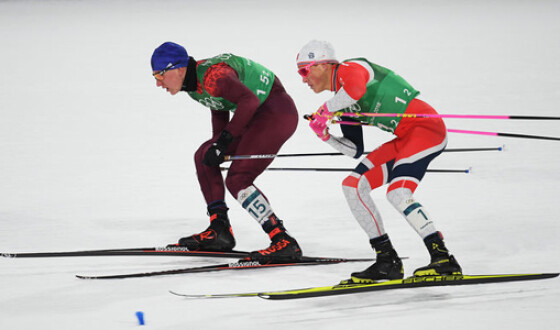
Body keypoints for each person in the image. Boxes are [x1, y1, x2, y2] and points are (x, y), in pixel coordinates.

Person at [296, 40, 462, 282]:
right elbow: (354, 149)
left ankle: (443, 258)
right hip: (405, 137)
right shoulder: (342, 104)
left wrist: (325, 111)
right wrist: (326, 136)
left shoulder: (350, 68)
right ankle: (387, 260)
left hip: (426, 128)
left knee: (398, 193)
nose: (303, 79)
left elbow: (355, 90)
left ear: (322, 65)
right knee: (352, 186)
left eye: (304, 70)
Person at [151, 41, 302, 262]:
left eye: (159, 75)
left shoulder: (215, 77)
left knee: (238, 178)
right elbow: (220, 106)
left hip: (275, 113)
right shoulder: (194, 84)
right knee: (204, 156)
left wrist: (223, 142)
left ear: (178, 68)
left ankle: (283, 240)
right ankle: (219, 229)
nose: (158, 83)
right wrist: (217, 146)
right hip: (253, 115)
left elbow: (248, 101)